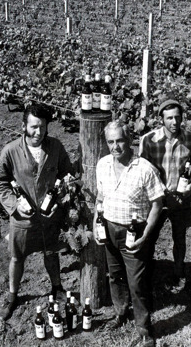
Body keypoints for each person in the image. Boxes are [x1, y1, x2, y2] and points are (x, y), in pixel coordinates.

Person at [0, 103, 73, 321]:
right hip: (22, 218)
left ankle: (57, 287)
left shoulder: (55, 147)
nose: (38, 132)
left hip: (49, 216)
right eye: (34, 127)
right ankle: (13, 295)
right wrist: (14, 205)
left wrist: (59, 200)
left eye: (43, 127)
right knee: (17, 257)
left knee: (51, 253)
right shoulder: (10, 151)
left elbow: (67, 175)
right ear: (24, 126)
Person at [94, 120, 164, 347]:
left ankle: (145, 329)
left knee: (136, 282)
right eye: (111, 142)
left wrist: (146, 235)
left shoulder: (144, 169)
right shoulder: (103, 164)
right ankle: (120, 312)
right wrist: (97, 221)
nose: (115, 147)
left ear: (130, 140)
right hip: (109, 228)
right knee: (114, 275)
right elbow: (100, 197)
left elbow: (157, 203)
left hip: (134, 233)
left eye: (120, 141)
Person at [139, 99, 191, 293]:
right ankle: (146, 276)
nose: (174, 122)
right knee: (149, 236)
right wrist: (161, 193)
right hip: (157, 200)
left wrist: (188, 188)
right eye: (169, 118)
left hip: (181, 200)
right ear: (162, 119)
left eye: (178, 117)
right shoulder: (149, 140)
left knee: (180, 238)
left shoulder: (189, 139)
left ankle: (178, 274)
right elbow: (143, 172)